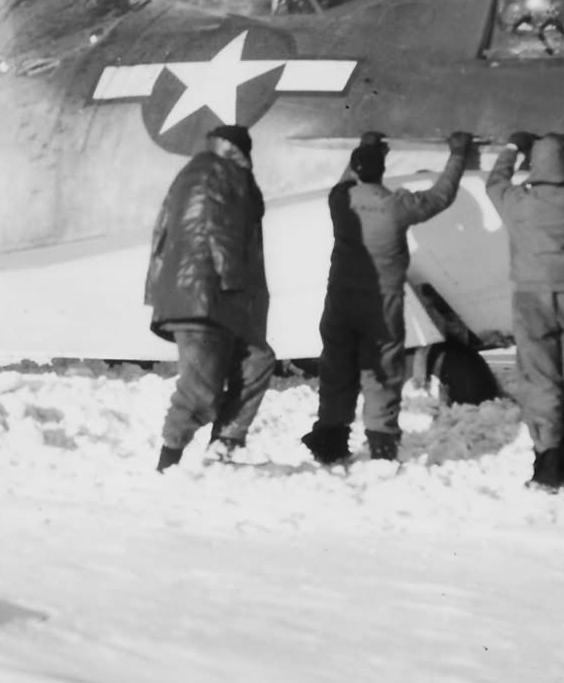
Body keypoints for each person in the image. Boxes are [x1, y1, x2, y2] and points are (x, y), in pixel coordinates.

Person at [302, 129, 473, 466]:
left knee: (337, 371)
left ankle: (330, 442)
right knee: (381, 373)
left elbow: (344, 181)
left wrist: (364, 146)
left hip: (339, 303)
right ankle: (381, 446)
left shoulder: (340, 201)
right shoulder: (398, 206)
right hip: (381, 304)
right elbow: (441, 196)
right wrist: (457, 155)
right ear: (383, 172)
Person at [144, 124, 275, 472]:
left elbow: (162, 232)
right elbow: (217, 226)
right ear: (240, 151)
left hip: (199, 294)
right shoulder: (224, 173)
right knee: (200, 391)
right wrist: (233, 282)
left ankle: (224, 445)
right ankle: (167, 465)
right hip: (206, 295)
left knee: (257, 361)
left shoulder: (193, 172)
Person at [486, 132, 564, 492]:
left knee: (541, 380)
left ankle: (549, 467)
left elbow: (495, 183)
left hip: (531, 297)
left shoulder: (518, 202)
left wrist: (510, 149)